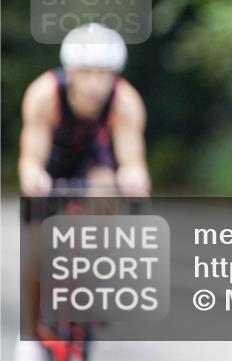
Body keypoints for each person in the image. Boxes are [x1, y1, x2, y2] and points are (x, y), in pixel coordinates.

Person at [16, 22, 150, 361]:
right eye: (87, 73)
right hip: (52, 161)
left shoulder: (126, 102)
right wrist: (34, 177)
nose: (96, 84)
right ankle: (31, 335)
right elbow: (31, 158)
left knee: (104, 188)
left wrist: (134, 178)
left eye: (105, 75)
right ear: (70, 72)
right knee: (36, 247)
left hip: (93, 160)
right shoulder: (44, 94)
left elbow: (132, 159)